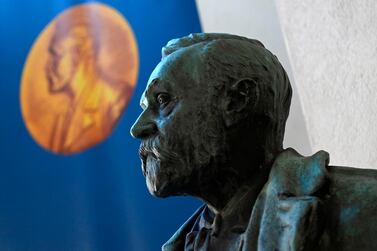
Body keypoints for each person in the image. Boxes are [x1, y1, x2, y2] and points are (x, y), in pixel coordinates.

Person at [130, 33, 377, 251]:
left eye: (162, 100)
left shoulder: (365, 209)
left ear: (238, 100)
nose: (137, 129)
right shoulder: (185, 243)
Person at [45, 10, 132, 154]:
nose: (48, 67)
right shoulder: (65, 115)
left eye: (57, 55)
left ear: (81, 54)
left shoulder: (116, 100)